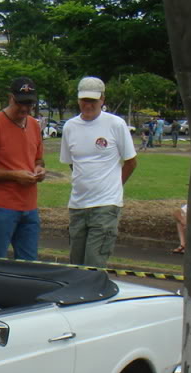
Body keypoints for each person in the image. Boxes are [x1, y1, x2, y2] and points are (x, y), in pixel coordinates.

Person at [59, 76, 138, 267]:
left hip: (105, 205)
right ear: (78, 99)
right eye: (84, 100)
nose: (88, 105)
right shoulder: (70, 127)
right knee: (76, 263)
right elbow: (72, 163)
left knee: (94, 263)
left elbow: (131, 161)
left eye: (93, 100)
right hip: (78, 205)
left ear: (102, 99)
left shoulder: (115, 124)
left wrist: (114, 186)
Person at [0, 76, 45, 261]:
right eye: (21, 103)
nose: (25, 108)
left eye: (29, 104)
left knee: (29, 265)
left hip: (29, 206)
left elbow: (39, 160)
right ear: (11, 98)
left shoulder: (34, 125)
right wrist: (13, 176)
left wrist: (39, 170)